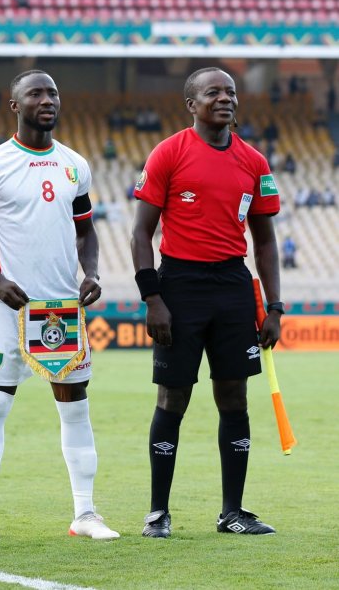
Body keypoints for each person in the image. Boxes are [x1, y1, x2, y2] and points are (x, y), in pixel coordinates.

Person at [0, 70, 118, 542]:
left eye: (52, 93)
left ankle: (85, 513)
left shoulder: (75, 164)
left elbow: (86, 230)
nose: (47, 100)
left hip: (63, 310)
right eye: (36, 93)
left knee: (76, 411)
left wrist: (91, 273)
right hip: (11, 309)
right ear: (15, 105)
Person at [131, 67, 282, 538]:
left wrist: (274, 306)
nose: (225, 98)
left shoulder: (254, 162)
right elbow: (140, 232)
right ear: (191, 104)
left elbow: (266, 241)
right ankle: (158, 512)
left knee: (234, 397)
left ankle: (232, 512)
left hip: (233, 286)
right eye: (213, 92)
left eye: (231, 92)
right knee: (172, 397)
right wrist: (152, 296)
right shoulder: (168, 153)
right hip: (179, 284)